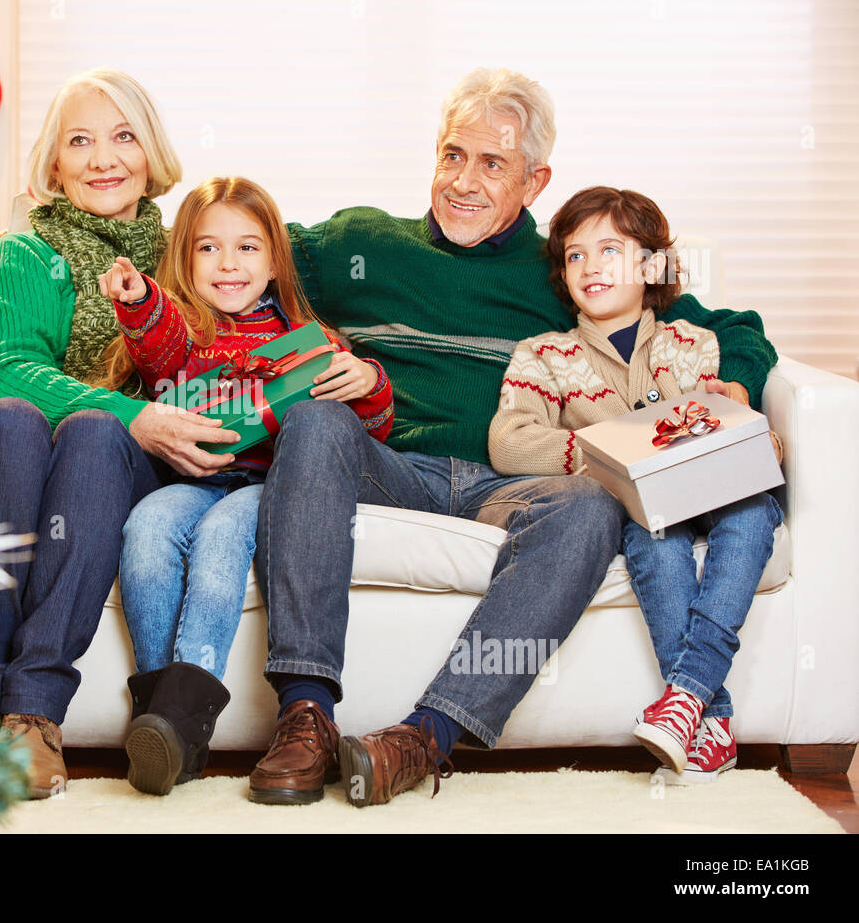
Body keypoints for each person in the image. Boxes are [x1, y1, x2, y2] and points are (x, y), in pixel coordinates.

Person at [247, 67, 779, 807]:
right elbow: (234, 250)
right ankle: (305, 713)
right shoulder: (358, 243)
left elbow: (733, 328)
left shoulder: (566, 267)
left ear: (536, 181)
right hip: (390, 465)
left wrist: (735, 389)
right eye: (452, 156)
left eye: (492, 163)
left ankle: (424, 738)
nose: (463, 181)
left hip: (511, 484)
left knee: (591, 506)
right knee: (314, 420)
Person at [0, 69, 244, 799]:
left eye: (123, 137)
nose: (103, 159)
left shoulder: (186, 252)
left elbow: (269, 238)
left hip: (101, 463)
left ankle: (33, 711)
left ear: (151, 153)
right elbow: (6, 375)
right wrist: (140, 416)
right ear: (54, 164)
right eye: (81, 141)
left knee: (96, 430)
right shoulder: (24, 252)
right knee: (18, 420)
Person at [95, 177, 394, 795]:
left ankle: (183, 718)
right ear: (184, 259)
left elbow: (366, 434)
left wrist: (368, 382)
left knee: (223, 541)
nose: (228, 265)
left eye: (248, 248)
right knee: (146, 529)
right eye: (208, 249)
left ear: (276, 259)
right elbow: (155, 343)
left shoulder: (310, 342)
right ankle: (162, 718)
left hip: (268, 486)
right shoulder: (184, 332)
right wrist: (137, 299)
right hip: (194, 479)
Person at [488, 186, 782, 783]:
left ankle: (685, 695)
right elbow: (510, 440)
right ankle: (712, 715)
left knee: (754, 510)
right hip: (644, 510)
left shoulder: (693, 345)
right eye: (575, 255)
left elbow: (731, 433)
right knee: (655, 538)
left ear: (651, 266)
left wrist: (747, 429)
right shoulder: (544, 355)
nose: (591, 266)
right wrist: (613, 455)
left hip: (717, 492)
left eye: (611, 250)